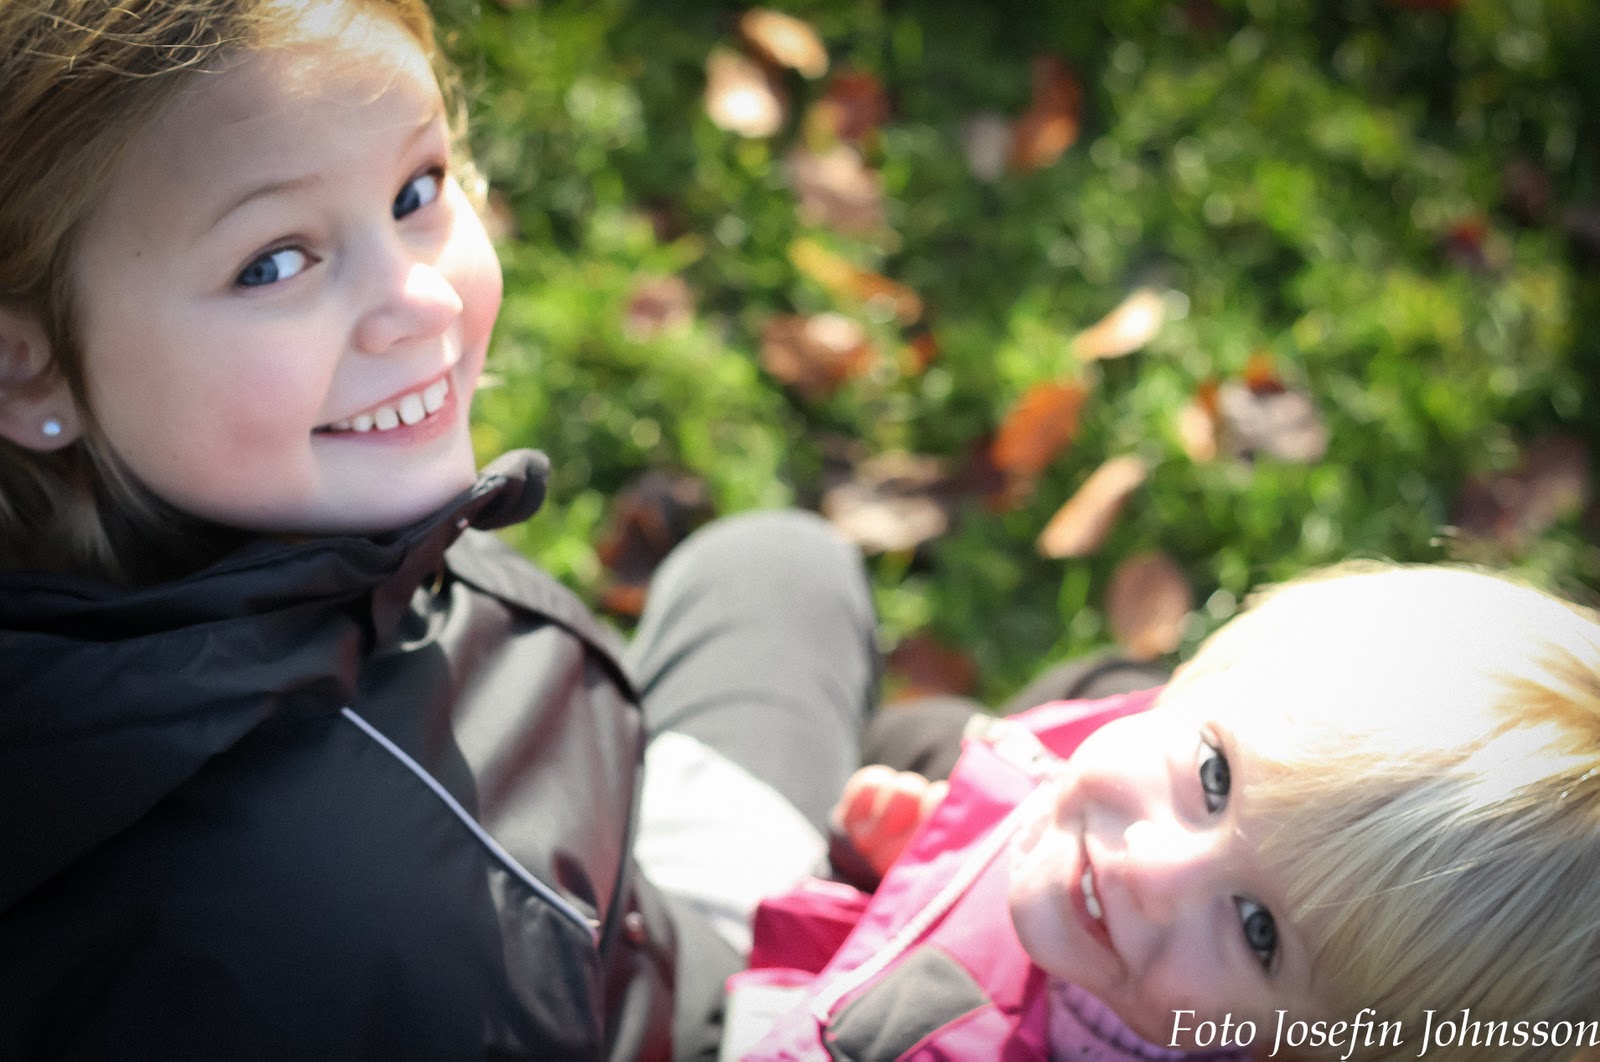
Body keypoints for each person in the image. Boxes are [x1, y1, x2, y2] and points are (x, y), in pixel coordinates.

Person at [0, 2, 878, 1059]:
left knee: (782, 567)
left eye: (415, 191)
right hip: (704, 1013)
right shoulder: (377, 939)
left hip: (617, 890)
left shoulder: (269, 529)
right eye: (275, 262)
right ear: (24, 370)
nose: (421, 302)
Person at [730, 564, 1600, 1062]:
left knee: (778, 567)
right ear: (1200, 677)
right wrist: (917, 860)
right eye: (1215, 777)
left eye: (1259, 932)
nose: (1151, 867)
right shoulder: (1084, 797)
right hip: (850, 947)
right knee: (916, 720)